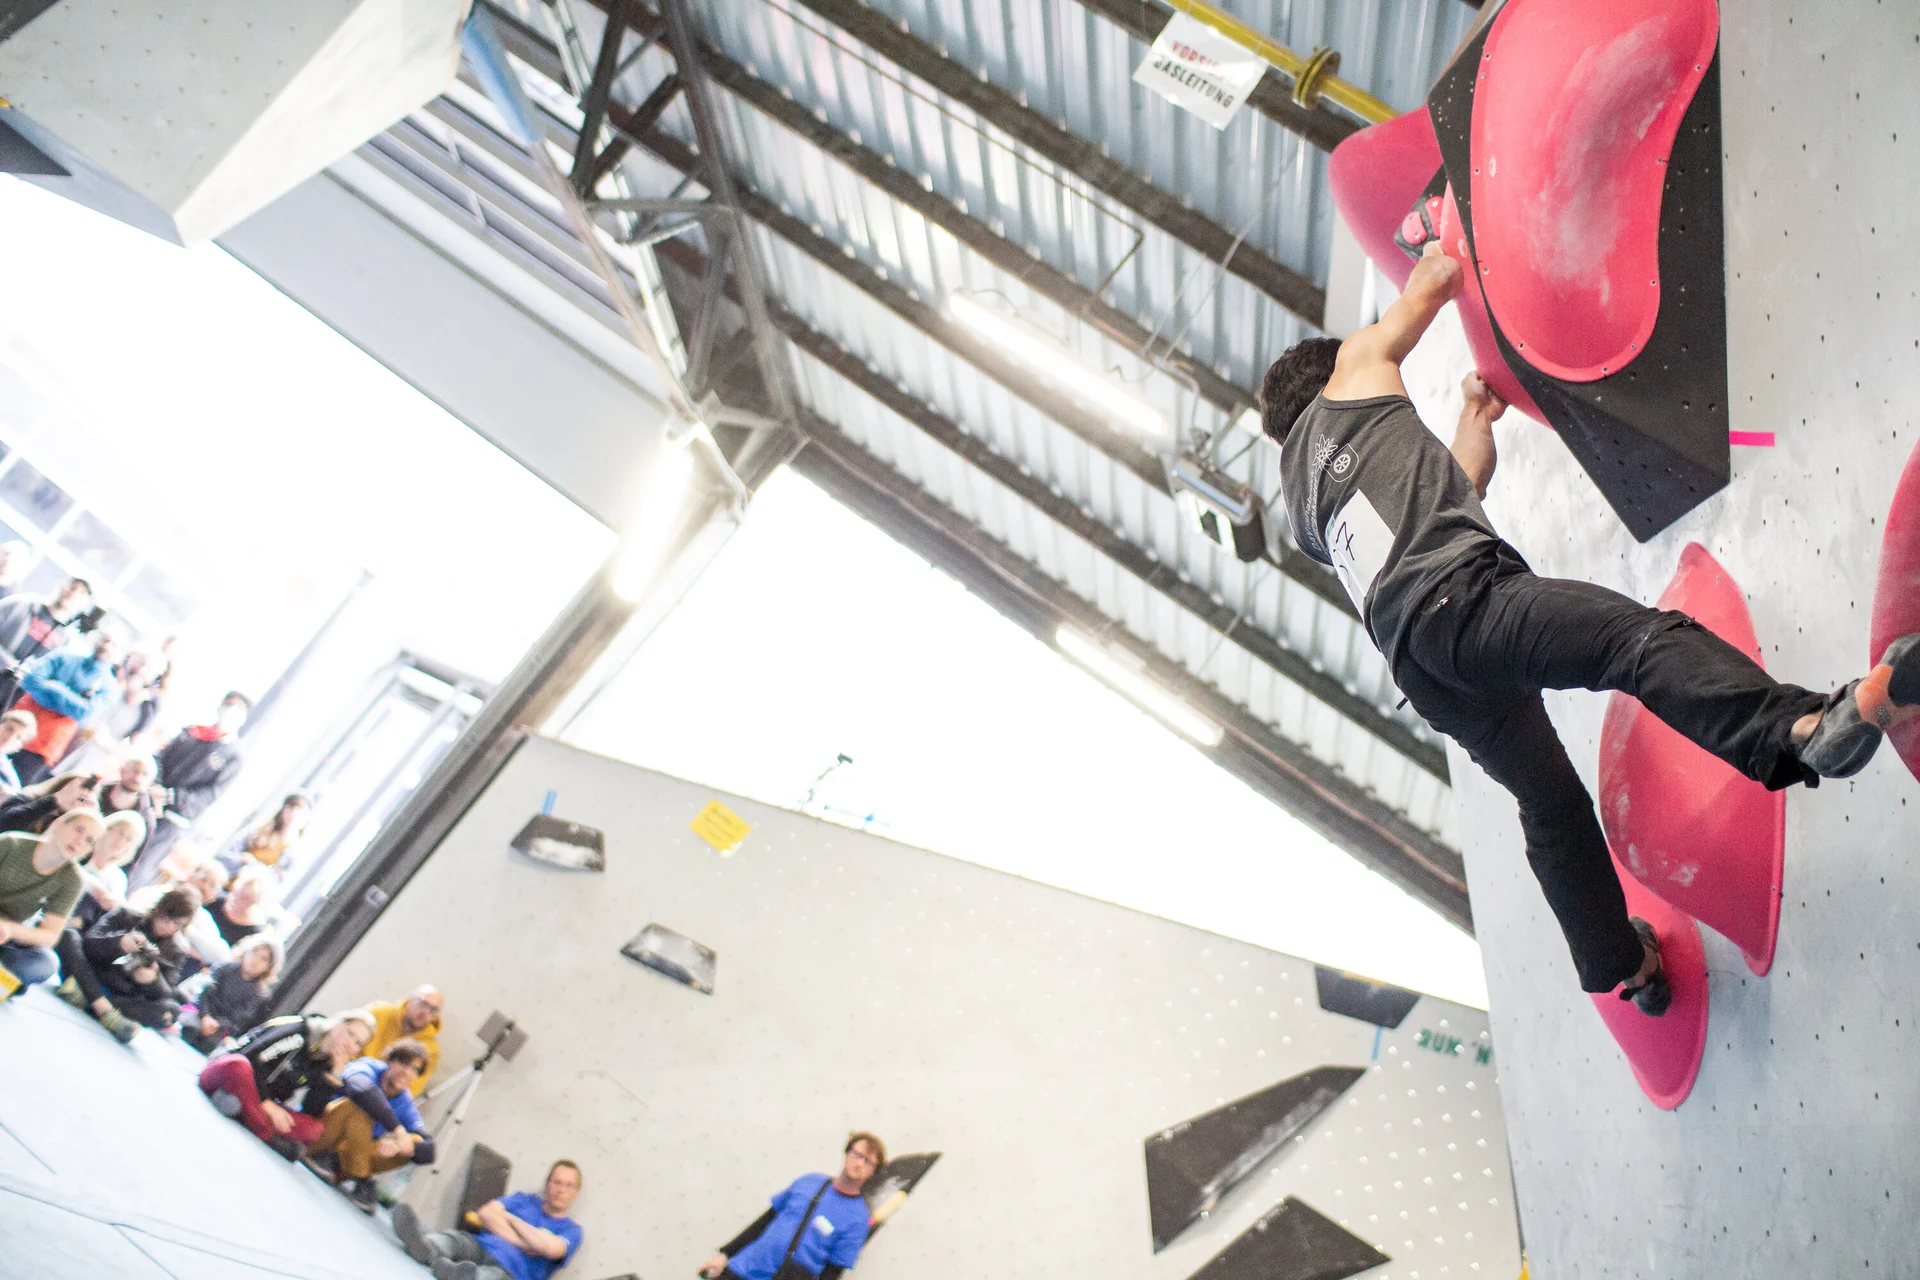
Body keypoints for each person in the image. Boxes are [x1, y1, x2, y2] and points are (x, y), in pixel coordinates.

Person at [1260, 239, 1920, 1015]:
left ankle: (1624, 964)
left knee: (1548, 806)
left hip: (1429, 676)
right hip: (1464, 601)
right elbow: (1435, 279)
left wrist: (1476, 415)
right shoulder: (1356, 369)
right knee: (1630, 642)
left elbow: (1453, 490)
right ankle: (1800, 729)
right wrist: (1446, 233)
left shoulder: (1305, 511)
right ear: (1331, 367)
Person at [697, 1134, 885, 1280]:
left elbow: (833, 1270)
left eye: (868, 1161)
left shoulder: (858, 1219)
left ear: (874, 1171)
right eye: (857, 1154)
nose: (859, 1163)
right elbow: (766, 1220)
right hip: (743, 1269)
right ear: (847, 1153)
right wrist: (725, 1255)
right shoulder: (809, 1182)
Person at [197, 1008, 376, 1155]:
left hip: (252, 1097)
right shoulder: (299, 1032)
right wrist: (266, 1103)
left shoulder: (327, 1063)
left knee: (314, 1129)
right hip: (226, 1071)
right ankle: (264, 1131)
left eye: (358, 1043)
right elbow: (248, 1057)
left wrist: (334, 1075)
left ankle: (242, 1111)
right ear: (337, 1025)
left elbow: (311, 1112)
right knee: (239, 1066)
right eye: (350, 1034)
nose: (350, 1043)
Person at [126, 691, 251, 891]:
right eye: (229, 705)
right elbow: (161, 756)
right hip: (148, 800)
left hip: (174, 817)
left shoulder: (234, 755)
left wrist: (172, 797)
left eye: (238, 709)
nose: (231, 711)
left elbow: (211, 793)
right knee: (123, 844)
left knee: (140, 864)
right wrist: (155, 786)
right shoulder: (193, 732)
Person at [392, 1158, 584, 1280]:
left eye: (568, 1185)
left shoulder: (572, 1231)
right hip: (483, 1245)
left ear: (576, 1192)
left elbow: (551, 1249)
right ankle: (425, 1247)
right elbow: (487, 1213)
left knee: (490, 1277)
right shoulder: (524, 1200)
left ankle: (459, 1275)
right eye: (557, 1182)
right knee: (456, 1240)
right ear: (547, 1184)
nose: (561, 1190)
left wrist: (510, 1220)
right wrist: (525, 1241)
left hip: (513, 1273)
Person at [52, 884, 200, 1042]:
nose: (169, 926)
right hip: (92, 973)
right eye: (167, 918)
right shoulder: (125, 916)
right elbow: (88, 944)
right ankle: (103, 1009)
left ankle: (89, 1000)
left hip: (119, 993)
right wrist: (118, 944)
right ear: (160, 908)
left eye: (178, 924)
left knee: (171, 1011)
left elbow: (166, 992)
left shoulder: (176, 950)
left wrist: (152, 980)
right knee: (68, 936)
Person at [305, 1038, 437, 1213]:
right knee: (359, 1108)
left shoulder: (404, 1101)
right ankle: (363, 1178)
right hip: (317, 1136)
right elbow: (361, 1089)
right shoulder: (368, 1068)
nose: (407, 1072)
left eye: (415, 1070)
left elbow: (429, 1151)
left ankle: (341, 1167)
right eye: (404, 1063)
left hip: (340, 1160)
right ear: (390, 1060)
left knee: (412, 1142)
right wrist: (397, 1129)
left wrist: (399, 1145)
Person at [0, 808, 101, 997]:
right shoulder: (11, 843)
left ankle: (7, 978)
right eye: (79, 830)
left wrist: (9, 930)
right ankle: (9, 981)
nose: (80, 841)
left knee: (46, 962)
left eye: (89, 841)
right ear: (59, 825)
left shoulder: (74, 880)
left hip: (6, 937)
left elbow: (49, 935)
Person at [11, 626, 122, 785]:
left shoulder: (109, 687)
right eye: (105, 639)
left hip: (44, 746)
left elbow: (84, 713)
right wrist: (69, 703)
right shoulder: (62, 656)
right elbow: (30, 680)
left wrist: (55, 687)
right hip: (14, 726)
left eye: (114, 644)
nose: (107, 646)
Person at [57, 649, 159, 778]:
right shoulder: (105, 677)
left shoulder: (146, 709)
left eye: (146, 666)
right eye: (139, 661)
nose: (140, 668)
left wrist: (104, 740)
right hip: (65, 739)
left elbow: (130, 749)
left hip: (89, 762)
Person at [180, 932, 281, 1053]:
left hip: (219, 1028)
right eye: (254, 953)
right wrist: (205, 1016)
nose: (256, 960)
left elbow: (240, 1017)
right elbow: (206, 990)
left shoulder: (260, 994)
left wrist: (217, 1024)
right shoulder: (226, 968)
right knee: (190, 1028)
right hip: (199, 1012)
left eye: (263, 959)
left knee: (208, 1044)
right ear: (246, 951)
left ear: (269, 966)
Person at [0, 576, 92, 682]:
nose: (73, 593)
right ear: (60, 585)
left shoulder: (67, 641)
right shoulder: (21, 605)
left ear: (84, 604)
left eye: (81, 593)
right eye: (72, 587)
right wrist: (5, 662)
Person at [72, 809, 146, 930]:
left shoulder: (118, 877)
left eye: (129, 840)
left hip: (85, 924)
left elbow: (117, 908)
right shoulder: (82, 849)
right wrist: (94, 887)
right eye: (120, 833)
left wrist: (112, 902)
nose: (121, 842)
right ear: (107, 828)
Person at [366, 985, 444, 1096]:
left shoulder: (430, 1049)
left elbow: (412, 1089)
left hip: (380, 1098)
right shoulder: (379, 1013)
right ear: (409, 1001)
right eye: (422, 1004)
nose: (425, 1013)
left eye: (433, 1010)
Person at [220, 791, 312, 881]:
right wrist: (241, 860)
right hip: (224, 881)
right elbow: (225, 853)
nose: (293, 814)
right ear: (282, 811)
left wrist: (254, 866)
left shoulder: (295, 856)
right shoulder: (256, 831)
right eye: (290, 808)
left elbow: (279, 884)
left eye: (299, 810)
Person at [0, 771, 100, 836]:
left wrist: (90, 818)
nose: (77, 801)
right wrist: (55, 801)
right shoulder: (25, 800)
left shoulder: (75, 832)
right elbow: (6, 824)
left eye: (83, 800)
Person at [207, 866, 282, 948]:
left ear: (255, 902)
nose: (237, 899)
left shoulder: (254, 931)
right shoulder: (215, 899)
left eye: (245, 898)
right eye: (237, 893)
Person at [0, 708, 37, 797]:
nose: (10, 738)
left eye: (18, 737)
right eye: (9, 729)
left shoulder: (9, 778)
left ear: (19, 747)